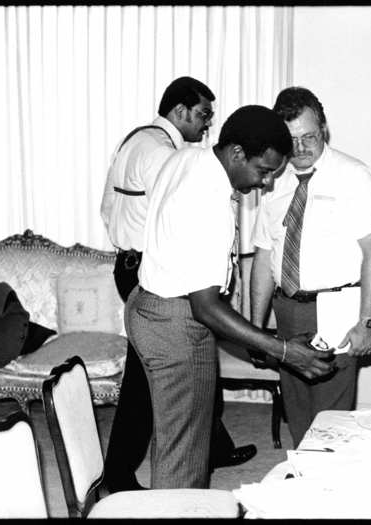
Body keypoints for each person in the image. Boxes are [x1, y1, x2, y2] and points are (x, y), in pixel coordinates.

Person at [128, 105, 336, 489]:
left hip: (149, 307)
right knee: (185, 452)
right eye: (263, 171)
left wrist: (266, 343)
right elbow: (205, 307)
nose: (267, 183)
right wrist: (284, 351)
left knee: (178, 436)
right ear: (237, 153)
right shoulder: (210, 202)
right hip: (176, 323)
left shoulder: (188, 156)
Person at [99, 77, 255, 494]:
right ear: (180, 111)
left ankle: (209, 446)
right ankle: (118, 477)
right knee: (147, 390)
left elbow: (108, 206)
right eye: (203, 114)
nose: (207, 125)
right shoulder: (164, 154)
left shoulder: (137, 140)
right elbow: (177, 221)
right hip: (153, 274)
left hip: (134, 263)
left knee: (168, 381)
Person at [249, 87, 371, 447]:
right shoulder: (271, 180)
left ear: (323, 129)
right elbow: (265, 257)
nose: (299, 148)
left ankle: (328, 493)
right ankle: (303, 484)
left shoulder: (354, 175)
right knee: (297, 413)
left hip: (334, 311)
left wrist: (366, 323)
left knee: (330, 423)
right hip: (287, 308)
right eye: (290, 140)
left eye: (308, 137)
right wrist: (256, 328)